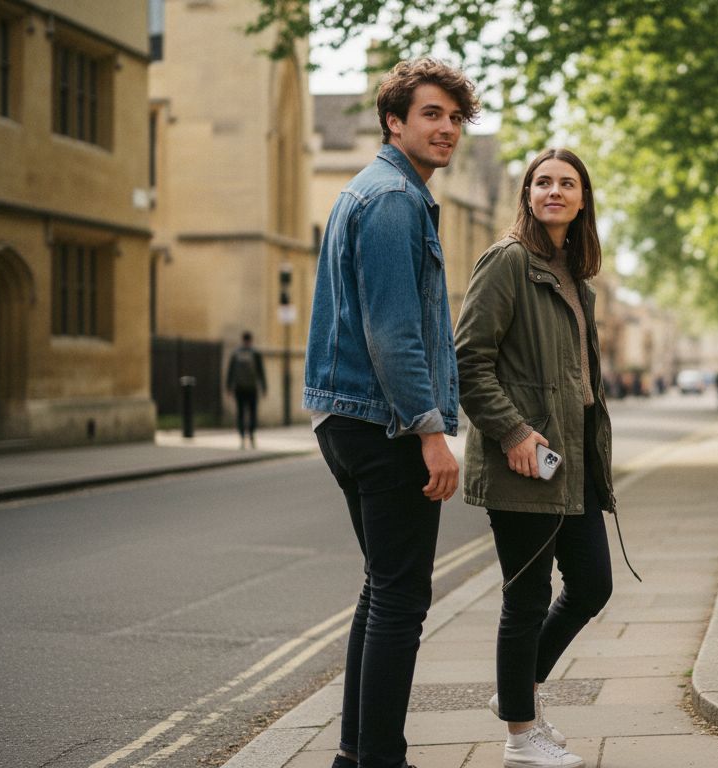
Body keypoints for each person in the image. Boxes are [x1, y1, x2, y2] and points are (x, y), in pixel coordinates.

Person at [302, 58, 478, 768]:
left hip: (349, 417)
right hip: (384, 423)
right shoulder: (395, 200)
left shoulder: (369, 190)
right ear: (394, 121)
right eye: (431, 114)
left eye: (456, 118)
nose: (447, 129)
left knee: (383, 591)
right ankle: (380, 759)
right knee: (403, 600)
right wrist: (432, 432)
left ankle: (357, 754)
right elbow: (394, 330)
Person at [456, 149, 628, 768]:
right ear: (527, 193)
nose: (554, 190)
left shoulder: (572, 275)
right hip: (525, 458)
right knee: (527, 598)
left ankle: (514, 697)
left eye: (567, 183)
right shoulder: (507, 262)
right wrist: (514, 434)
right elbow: (469, 362)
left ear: (582, 200)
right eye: (542, 181)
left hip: (574, 455)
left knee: (591, 585)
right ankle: (521, 737)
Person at [225, 331, 267, 448]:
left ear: (242, 339)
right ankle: (252, 436)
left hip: (239, 389)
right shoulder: (255, 353)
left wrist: (228, 387)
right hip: (252, 388)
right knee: (252, 413)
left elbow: (230, 371)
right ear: (251, 340)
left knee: (240, 413)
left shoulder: (236, 353)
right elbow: (261, 372)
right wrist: (264, 387)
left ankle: (242, 437)